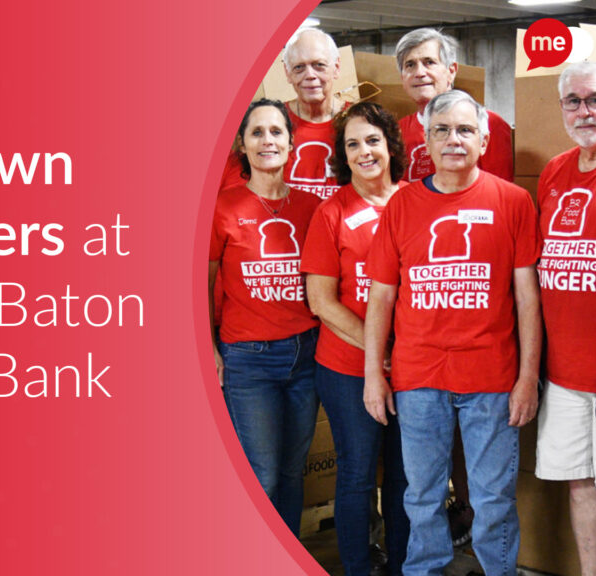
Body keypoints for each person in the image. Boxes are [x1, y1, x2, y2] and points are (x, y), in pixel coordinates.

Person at [362, 90, 541, 576]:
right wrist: (373, 376)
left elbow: (528, 298)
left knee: (493, 499)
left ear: (483, 140)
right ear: (426, 139)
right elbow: (381, 297)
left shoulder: (514, 202)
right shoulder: (401, 207)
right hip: (418, 379)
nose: (453, 140)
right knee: (420, 498)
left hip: (491, 379)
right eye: (442, 130)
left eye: (465, 130)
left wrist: (527, 378)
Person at [301, 101, 409, 576]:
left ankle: (408, 565)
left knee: (409, 480)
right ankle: (359, 568)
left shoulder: (417, 201)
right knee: (358, 476)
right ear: (342, 157)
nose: (363, 152)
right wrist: (380, 353)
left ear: (390, 146)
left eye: (372, 140)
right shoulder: (332, 212)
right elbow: (322, 302)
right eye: (351, 144)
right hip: (347, 369)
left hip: (414, 369)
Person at [209, 98, 322, 535]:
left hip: (307, 356)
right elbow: (200, 283)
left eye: (277, 132)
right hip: (247, 359)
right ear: (242, 144)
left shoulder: (312, 206)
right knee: (263, 475)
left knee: (294, 473)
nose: (267, 140)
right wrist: (208, 347)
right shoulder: (222, 207)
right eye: (257, 132)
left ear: (291, 144)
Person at [535, 61, 596, 576]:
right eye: (574, 100)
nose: (584, 110)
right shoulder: (554, 171)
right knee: (581, 481)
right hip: (566, 373)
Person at [395, 28, 513, 183]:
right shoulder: (397, 131)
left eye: (429, 62)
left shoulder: (489, 123)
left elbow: (499, 193)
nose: (419, 73)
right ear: (402, 77)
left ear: (451, 71)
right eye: (410, 65)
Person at [281, 27, 344, 200]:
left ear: (336, 68)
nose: (310, 75)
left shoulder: (358, 122)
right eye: (299, 67)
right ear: (287, 73)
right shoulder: (273, 123)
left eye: (319, 65)